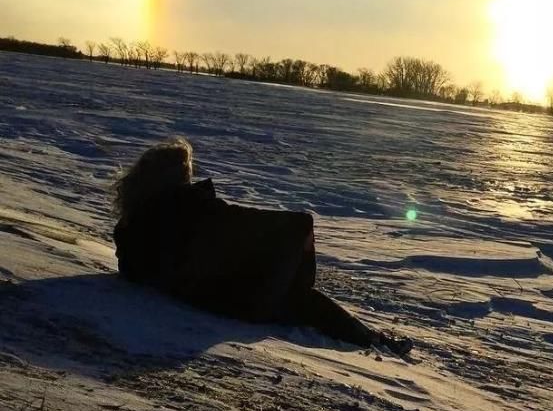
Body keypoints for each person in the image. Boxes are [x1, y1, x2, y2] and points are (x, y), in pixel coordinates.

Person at [111, 137, 412, 356]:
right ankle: (370, 338)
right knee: (297, 284)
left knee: (278, 276)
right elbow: (298, 224)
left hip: (199, 293)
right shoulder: (195, 209)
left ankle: (367, 336)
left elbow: (131, 268)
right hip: (230, 302)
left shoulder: (133, 222)